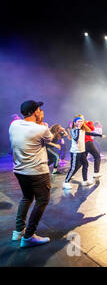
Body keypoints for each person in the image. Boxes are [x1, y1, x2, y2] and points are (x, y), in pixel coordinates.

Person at [9, 100, 53, 248]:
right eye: (40, 110)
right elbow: (49, 139)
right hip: (37, 172)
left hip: (20, 171)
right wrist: (42, 123)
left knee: (27, 198)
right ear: (35, 112)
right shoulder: (41, 129)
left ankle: (18, 231)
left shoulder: (14, 125)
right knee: (42, 200)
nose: (41, 112)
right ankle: (28, 237)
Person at [63, 117, 105, 190]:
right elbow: (76, 138)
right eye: (78, 121)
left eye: (81, 121)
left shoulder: (82, 130)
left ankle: (85, 181)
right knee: (74, 167)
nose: (80, 123)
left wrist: (100, 135)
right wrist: (79, 129)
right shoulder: (73, 130)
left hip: (82, 151)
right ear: (75, 123)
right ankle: (66, 182)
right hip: (75, 152)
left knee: (85, 164)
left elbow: (90, 133)